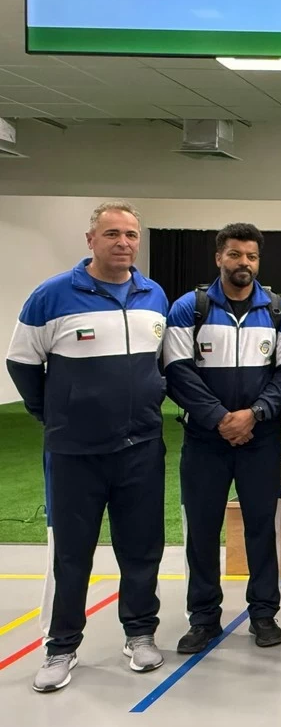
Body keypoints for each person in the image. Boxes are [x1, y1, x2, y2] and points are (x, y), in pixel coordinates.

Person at [6, 201, 169, 692]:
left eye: (131, 235)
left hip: (141, 447)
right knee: (72, 554)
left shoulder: (153, 295)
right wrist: (55, 414)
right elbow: (22, 362)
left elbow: (158, 363)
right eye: (112, 233)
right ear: (91, 240)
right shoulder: (52, 296)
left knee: (142, 547)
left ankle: (139, 633)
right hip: (75, 453)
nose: (123, 243)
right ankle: (61, 646)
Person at [164, 223, 281, 654]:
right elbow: (176, 371)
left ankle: (263, 614)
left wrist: (253, 415)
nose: (245, 263)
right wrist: (219, 418)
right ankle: (204, 618)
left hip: (261, 440)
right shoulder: (190, 308)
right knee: (202, 531)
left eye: (252, 256)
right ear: (219, 257)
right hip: (205, 440)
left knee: (262, 528)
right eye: (236, 255)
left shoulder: (278, 311)